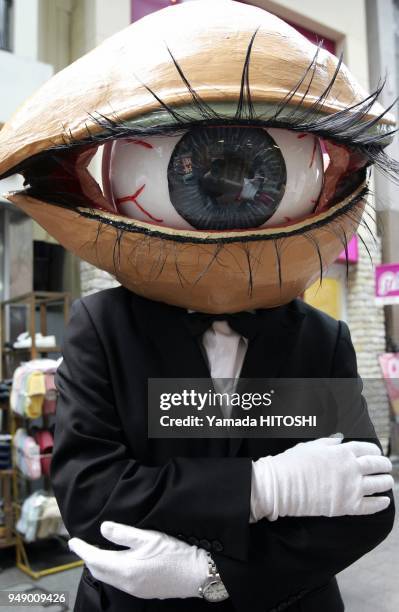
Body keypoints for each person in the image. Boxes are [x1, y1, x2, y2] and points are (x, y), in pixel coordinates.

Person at [0, 2, 395, 610]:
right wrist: (266, 488)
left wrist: (217, 576)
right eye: (202, 162)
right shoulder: (102, 327)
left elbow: (365, 507)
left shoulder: (322, 339)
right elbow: (88, 492)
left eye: (248, 159)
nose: (225, 179)